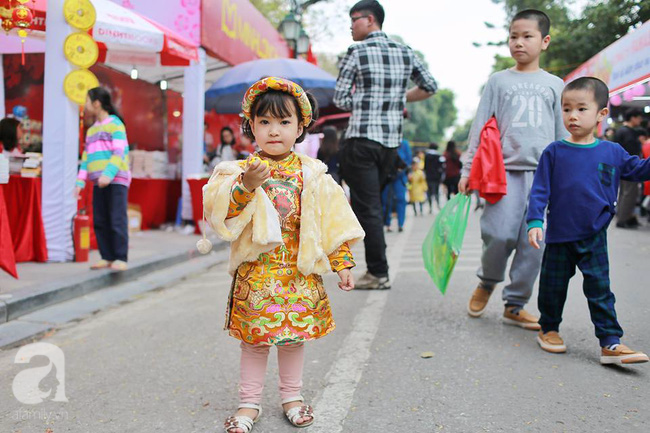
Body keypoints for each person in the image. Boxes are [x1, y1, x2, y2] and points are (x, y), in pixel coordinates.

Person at [202, 77, 364, 433]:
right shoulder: (238, 172)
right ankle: (249, 404)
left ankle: (292, 398)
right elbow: (220, 214)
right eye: (264, 122)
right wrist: (246, 187)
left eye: (284, 122)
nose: (274, 130)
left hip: (298, 272)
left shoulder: (314, 175)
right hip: (256, 275)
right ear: (251, 127)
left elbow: (332, 221)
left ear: (301, 126)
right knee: (255, 343)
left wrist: (342, 263)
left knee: (293, 339)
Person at [527, 77, 650, 365]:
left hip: (594, 235)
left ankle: (610, 342)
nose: (572, 115)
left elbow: (639, 170)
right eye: (567, 109)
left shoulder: (612, 152)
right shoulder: (554, 151)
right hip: (558, 236)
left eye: (582, 109)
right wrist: (535, 221)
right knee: (552, 287)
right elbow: (539, 190)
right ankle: (549, 328)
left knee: (600, 289)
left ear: (601, 114)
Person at [459, 9, 567, 328]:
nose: (518, 42)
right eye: (513, 36)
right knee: (497, 234)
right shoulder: (498, 81)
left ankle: (516, 303)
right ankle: (487, 281)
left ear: (544, 41)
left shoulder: (556, 85)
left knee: (533, 243)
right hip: (501, 176)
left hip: (543, 178)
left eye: (527, 36)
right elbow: (480, 126)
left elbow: (563, 135)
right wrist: (467, 171)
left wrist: (566, 179)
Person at [334, 0, 437, 290]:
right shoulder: (406, 52)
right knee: (374, 207)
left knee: (369, 209)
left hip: (362, 143)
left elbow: (341, 99)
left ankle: (378, 272)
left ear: (370, 20)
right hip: (390, 146)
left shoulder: (355, 52)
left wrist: (370, 100)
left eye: (354, 19)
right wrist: (398, 98)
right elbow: (430, 86)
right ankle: (377, 269)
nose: (351, 26)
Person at [74, 87, 130, 271]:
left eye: (88, 101)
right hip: (99, 182)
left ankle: (120, 257)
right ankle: (106, 256)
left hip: (116, 181)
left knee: (116, 219)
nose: (86, 104)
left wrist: (108, 174)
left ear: (97, 103)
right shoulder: (91, 131)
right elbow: (85, 158)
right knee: (100, 220)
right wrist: (79, 182)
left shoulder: (115, 124)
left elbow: (119, 151)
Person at [614, 108, 643, 228]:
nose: (640, 120)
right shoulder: (628, 132)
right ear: (633, 118)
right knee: (629, 193)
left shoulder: (621, 130)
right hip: (629, 167)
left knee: (624, 193)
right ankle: (623, 219)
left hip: (622, 166)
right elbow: (631, 151)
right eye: (639, 117)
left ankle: (621, 216)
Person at [381, 139, 412, 232]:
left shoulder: (404, 143)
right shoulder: (384, 141)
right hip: (387, 177)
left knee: (401, 199)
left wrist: (402, 169)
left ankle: (400, 224)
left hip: (400, 176)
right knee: (386, 201)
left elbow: (408, 160)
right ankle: (387, 224)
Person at [424, 142, 445, 213]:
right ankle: (438, 205)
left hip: (429, 177)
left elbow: (425, 167)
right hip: (436, 177)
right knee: (436, 191)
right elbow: (442, 167)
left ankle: (430, 207)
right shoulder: (438, 156)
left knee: (429, 192)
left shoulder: (426, 156)